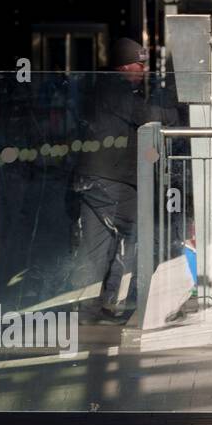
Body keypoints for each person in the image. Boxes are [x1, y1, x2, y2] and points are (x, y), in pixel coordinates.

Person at [70, 38, 181, 323]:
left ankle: (88, 308)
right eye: (138, 64)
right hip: (110, 178)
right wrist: (172, 112)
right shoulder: (113, 87)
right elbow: (143, 115)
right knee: (144, 233)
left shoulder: (107, 88)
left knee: (97, 244)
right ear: (122, 66)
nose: (143, 70)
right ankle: (119, 300)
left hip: (93, 178)